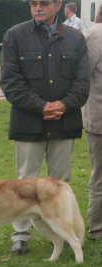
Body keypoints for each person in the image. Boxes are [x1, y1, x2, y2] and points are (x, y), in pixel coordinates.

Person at [0, 0, 90, 255]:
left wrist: (64, 105)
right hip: (29, 122)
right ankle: (20, 235)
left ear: (58, 5)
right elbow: (10, 82)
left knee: (61, 183)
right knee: (25, 182)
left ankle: (61, 234)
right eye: (33, 3)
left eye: (43, 3)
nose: (37, 8)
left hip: (65, 121)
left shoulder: (75, 38)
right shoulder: (15, 35)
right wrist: (41, 107)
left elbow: (82, 82)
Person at [82, 5, 102, 241]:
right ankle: (97, 229)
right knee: (100, 177)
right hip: (99, 117)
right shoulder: (95, 34)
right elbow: (82, 75)